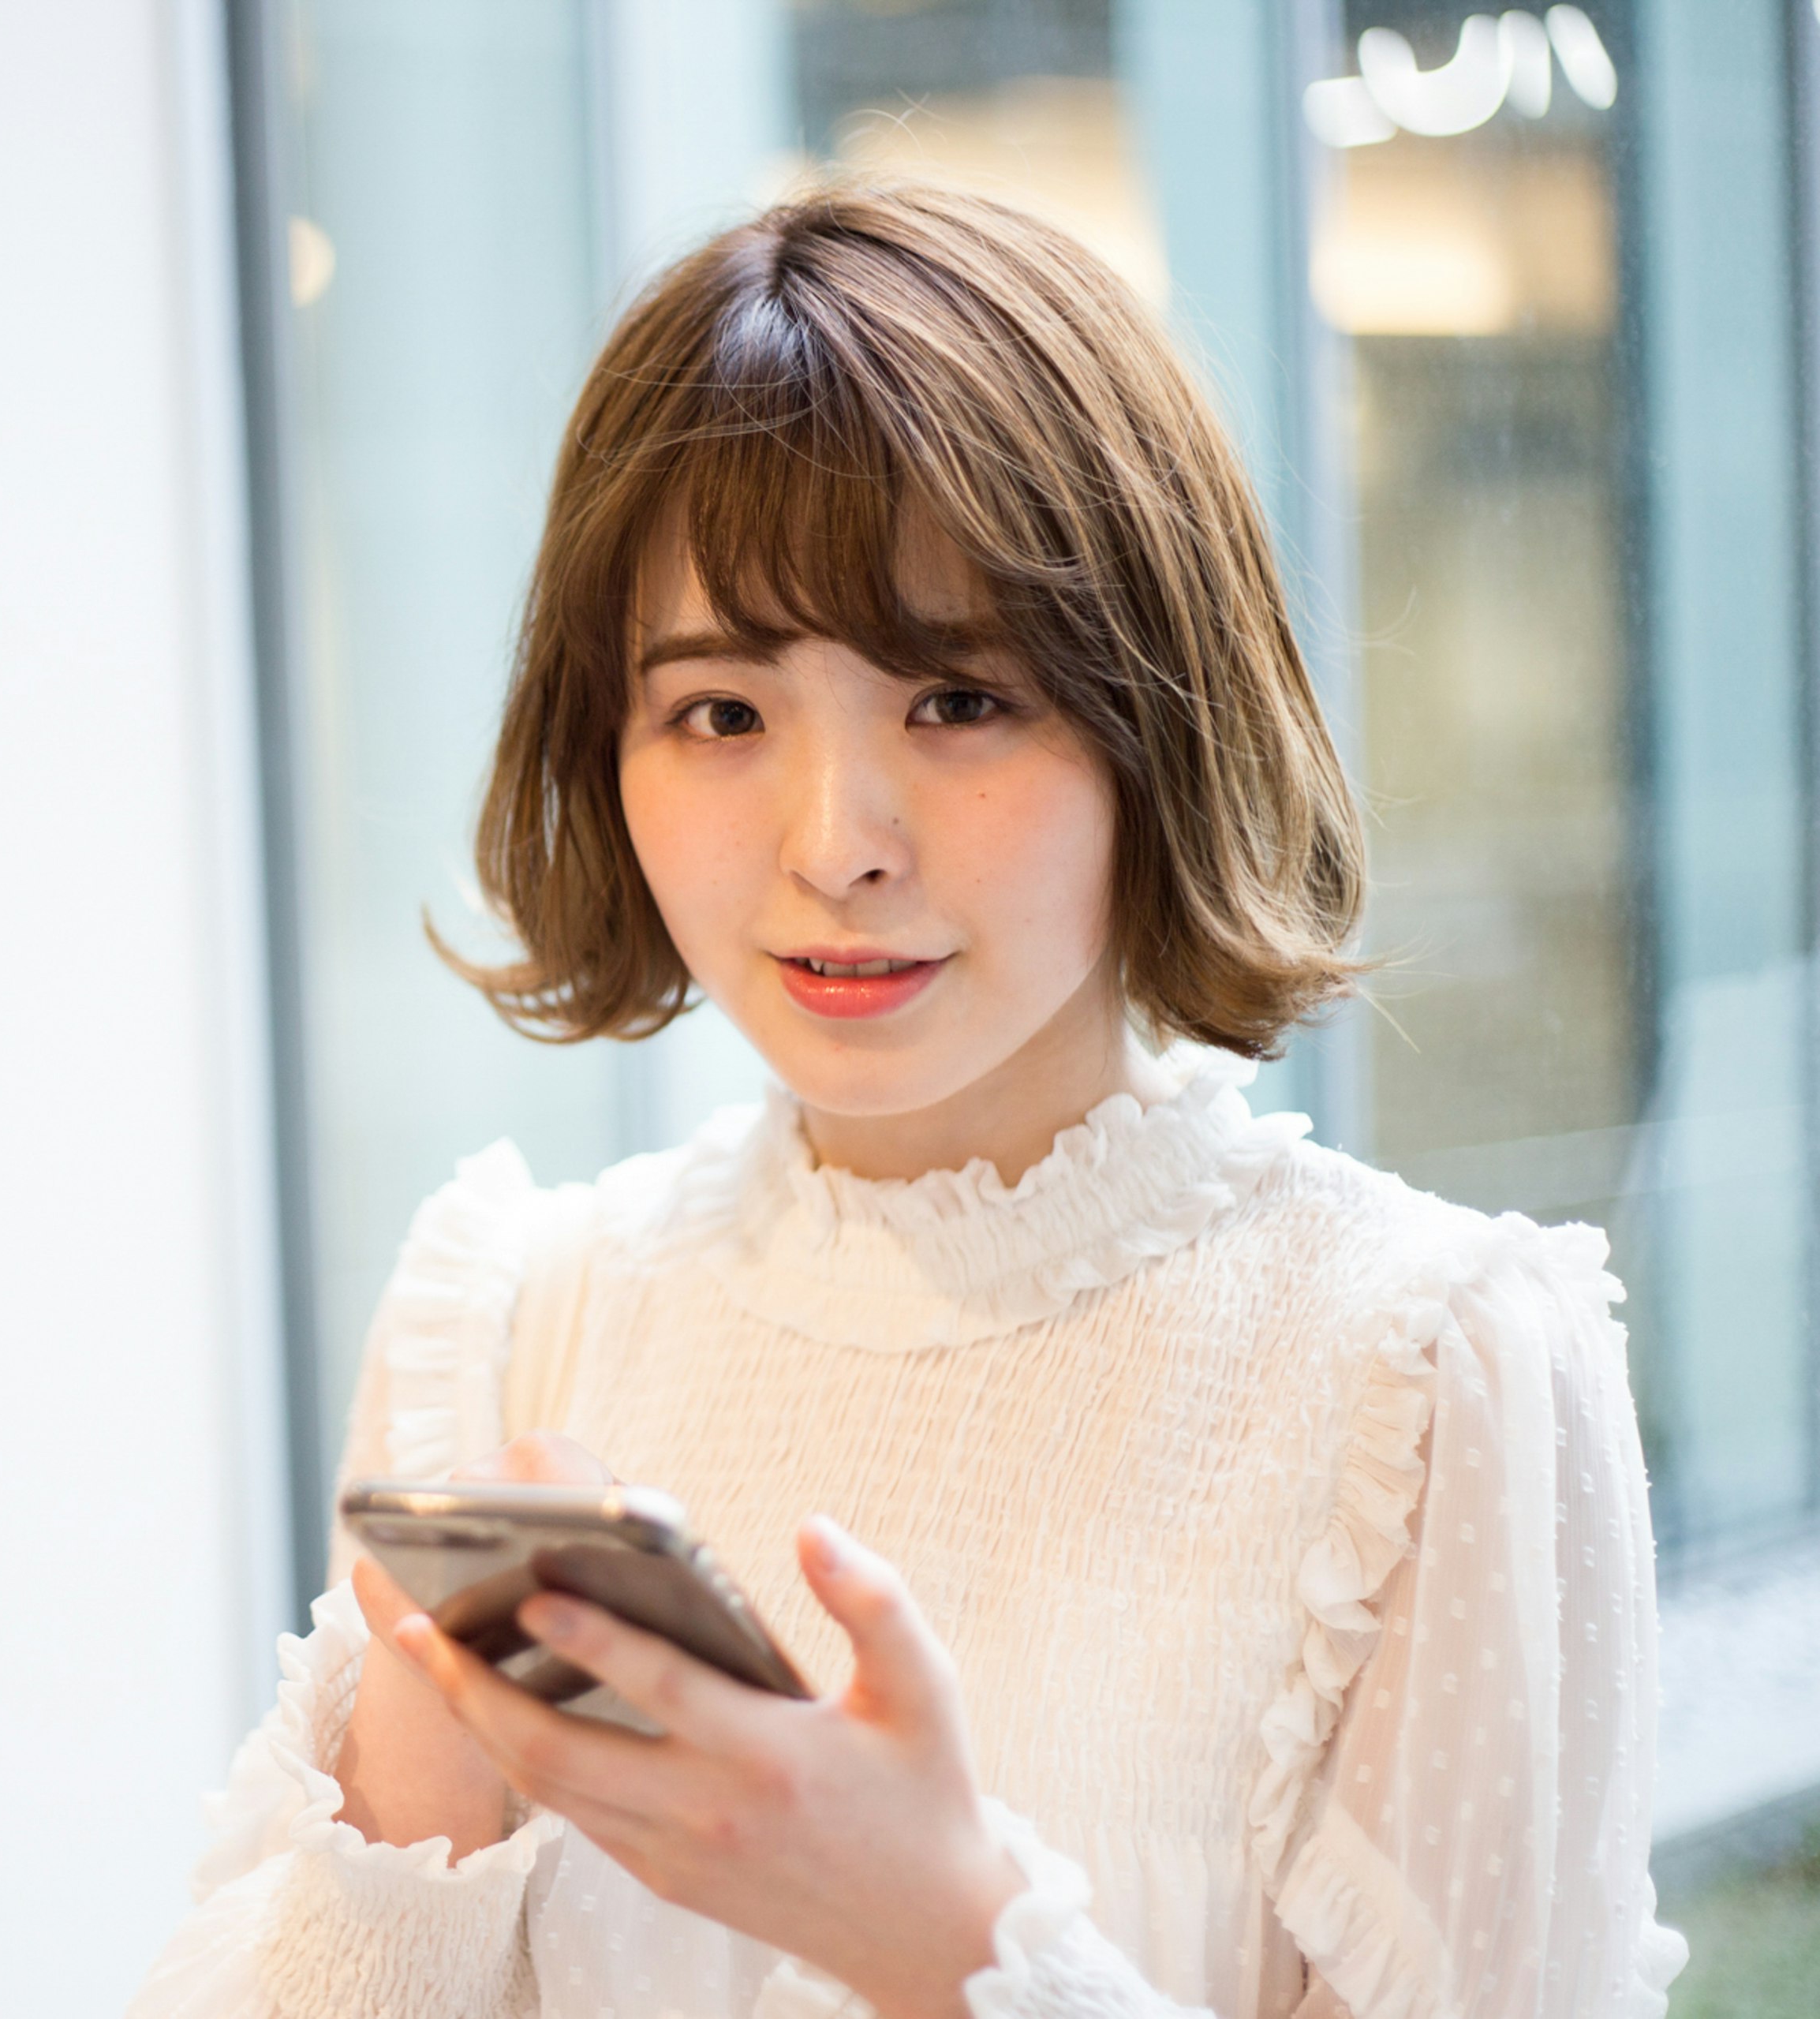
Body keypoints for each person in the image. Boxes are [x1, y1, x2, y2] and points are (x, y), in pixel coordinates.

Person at [130, 181, 1686, 2019]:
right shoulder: (512, 1317)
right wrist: (426, 1798)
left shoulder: (1424, 1373)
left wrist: (947, 1939)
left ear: (1154, 720)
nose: (833, 846)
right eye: (720, 712)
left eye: (956, 698)